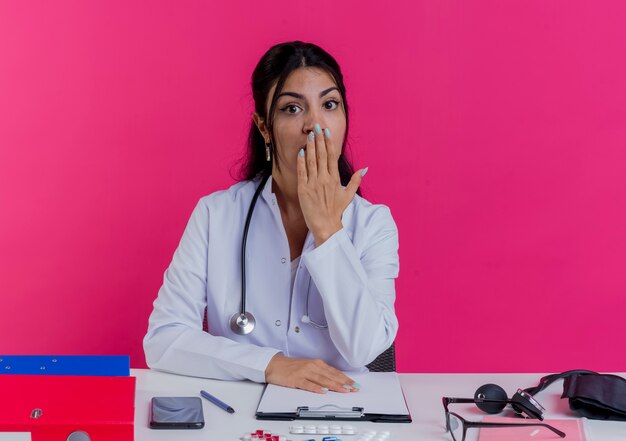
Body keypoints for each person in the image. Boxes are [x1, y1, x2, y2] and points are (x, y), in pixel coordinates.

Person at [143, 41, 399, 394]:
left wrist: (328, 231)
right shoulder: (216, 215)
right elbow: (163, 339)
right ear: (264, 127)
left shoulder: (374, 225)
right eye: (292, 108)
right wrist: (271, 365)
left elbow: (365, 350)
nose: (315, 124)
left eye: (329, 104)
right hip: (239, 411)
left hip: (342, 409)